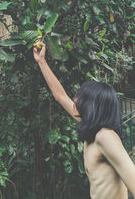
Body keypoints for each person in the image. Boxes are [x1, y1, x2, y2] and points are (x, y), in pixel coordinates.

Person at [33, 41, 135, 199]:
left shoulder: (105, 136)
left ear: (93, 106)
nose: (75, 99)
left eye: (81, 97)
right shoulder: (91, 127)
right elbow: (59, 96)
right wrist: (41, 61)